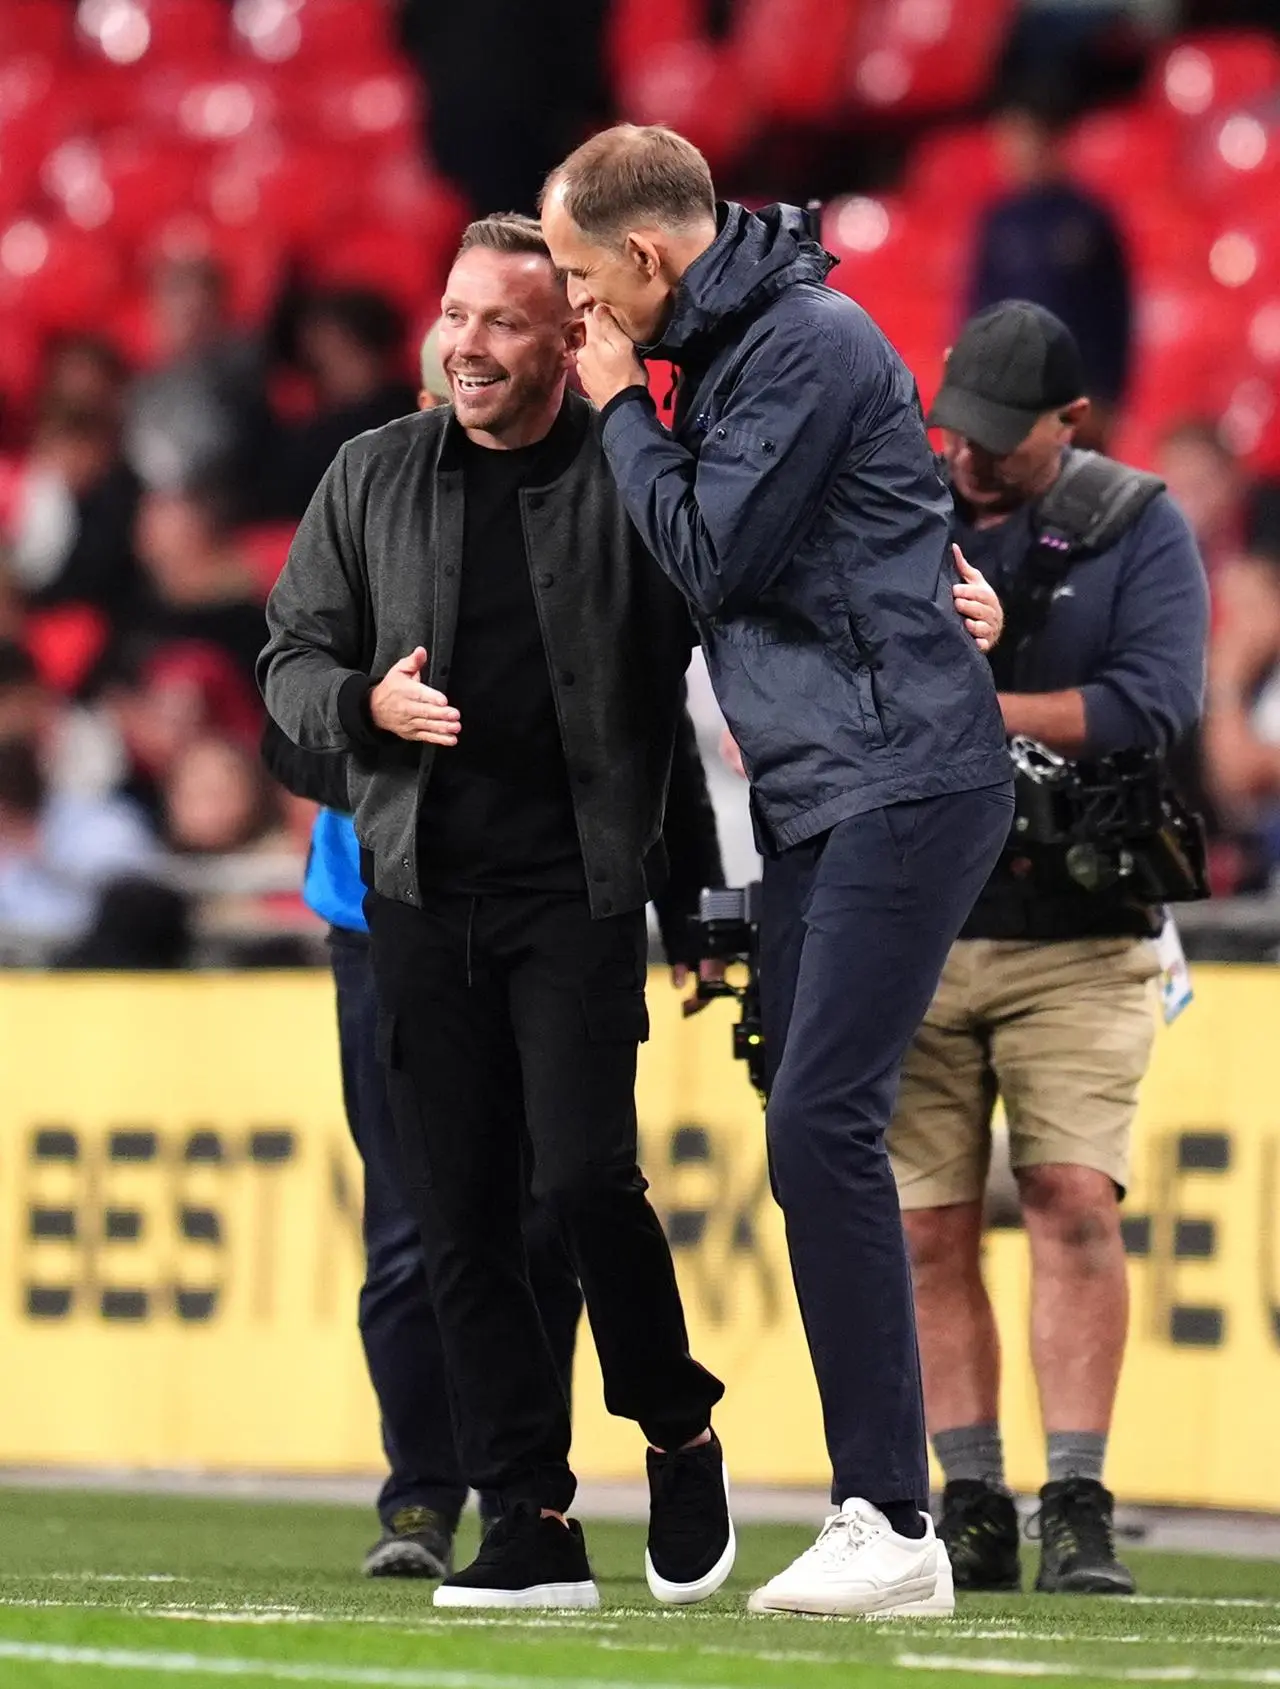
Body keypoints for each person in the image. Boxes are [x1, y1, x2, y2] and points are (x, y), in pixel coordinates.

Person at [542, 123, 1014, 1619]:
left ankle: (895, 1514)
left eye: (575, 278)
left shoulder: (802, 343)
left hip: (903, 773)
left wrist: (620, 409)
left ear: (646, 259)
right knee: (808, 1128)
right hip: (827, 788)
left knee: (823, 1123)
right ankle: (878, 1507)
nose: (573, 311)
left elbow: (714, 556)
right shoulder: (743, 347)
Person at [261, 215, 734, 1611]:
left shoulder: (633, 479)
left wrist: (702, 902)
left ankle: (675, 1421)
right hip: (416, 899)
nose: (466, 344)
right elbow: (288, 663)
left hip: (574, 898)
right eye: (454, 315)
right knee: (460, 1218)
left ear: (569, 340)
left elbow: (676, 711)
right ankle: (529, 1515)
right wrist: (364, 707)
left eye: (503, 322)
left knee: (584, 1185)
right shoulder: (370, 475)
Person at [888, 301, 1208, 1598]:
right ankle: (968, 1497)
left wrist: (973, 710)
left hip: (1080, 930)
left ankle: (1074, 1497)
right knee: (926, 1232)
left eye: (998, 445)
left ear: (1069, 425)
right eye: (953, 433)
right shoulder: (900, 505)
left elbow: (1154, 701)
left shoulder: (1139, 523)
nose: (966, 462)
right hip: (916, 925)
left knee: (1074, 1203)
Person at [968, 81, 1131, 450]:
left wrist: (1106, 397)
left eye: (1022, 138)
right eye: (1005, 140)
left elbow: (1114, 316)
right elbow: (980, 309)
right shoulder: (998, 222)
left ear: (1052, 140)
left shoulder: (1089, 219)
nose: (1012, 151)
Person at [266, 288, 419, 521]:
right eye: (313, 360)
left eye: (331, 353)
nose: (321, 369)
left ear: (366, 350)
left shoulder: (408, 421)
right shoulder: (313, 427)